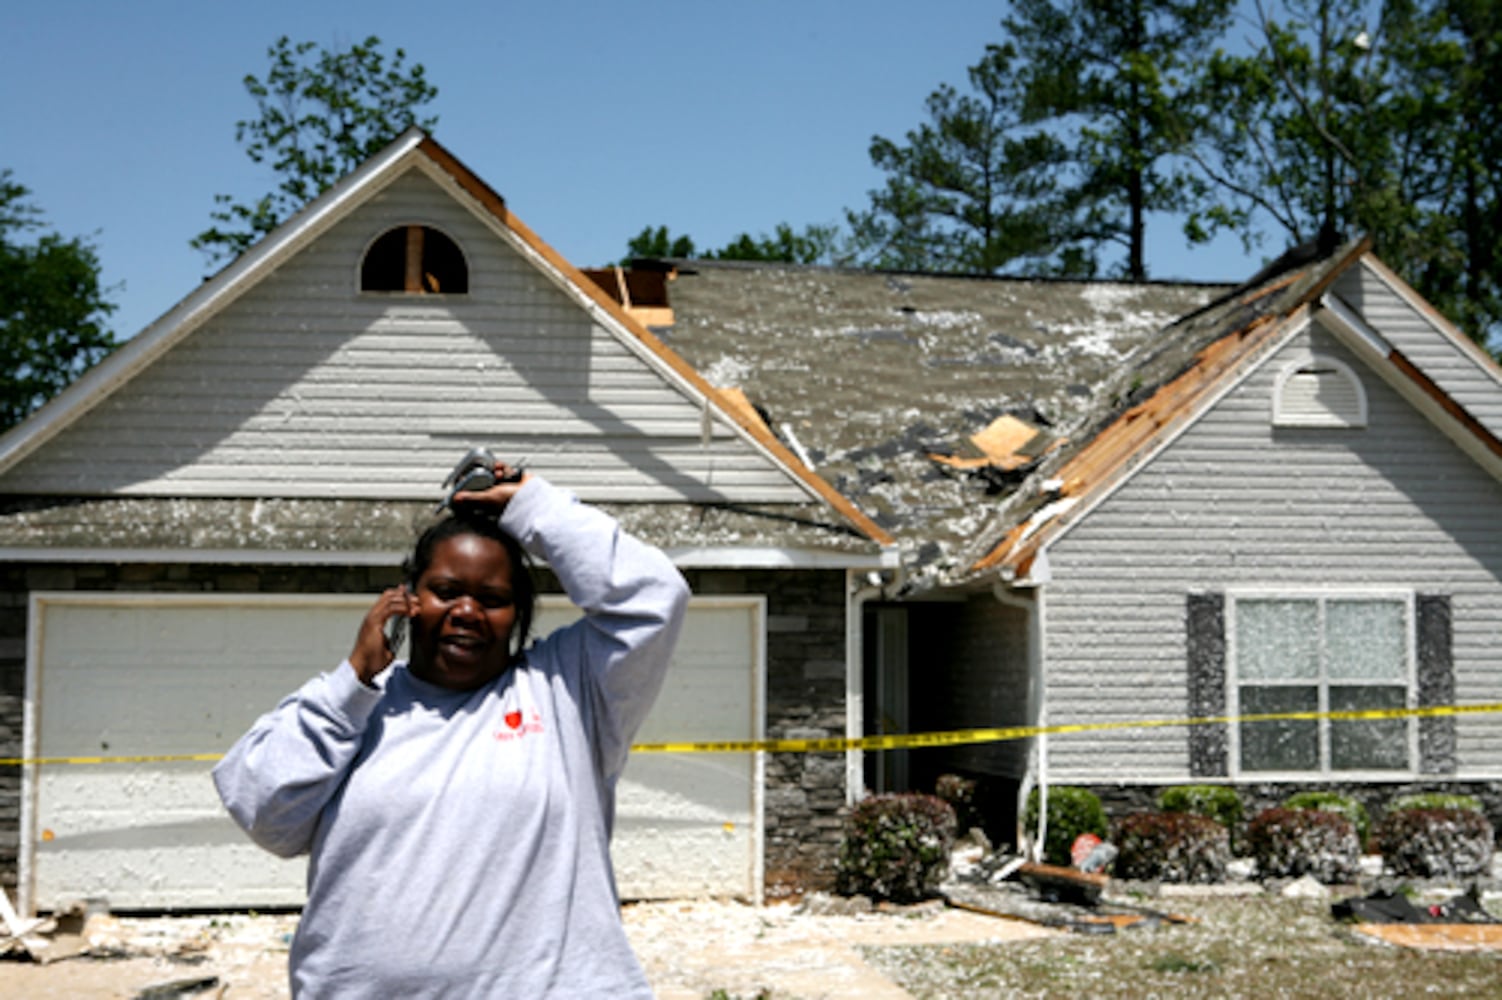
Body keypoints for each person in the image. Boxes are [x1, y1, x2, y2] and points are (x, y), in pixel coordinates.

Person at [213, 463, 689, 998]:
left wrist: (535, 506)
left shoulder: (568, 692)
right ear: (408, 599)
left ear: (519, 615)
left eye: (491, 599)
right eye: (445, 590)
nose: (467, 611)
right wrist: (351, 684)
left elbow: (654, 597)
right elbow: (264, 814)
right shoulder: (353, 705)